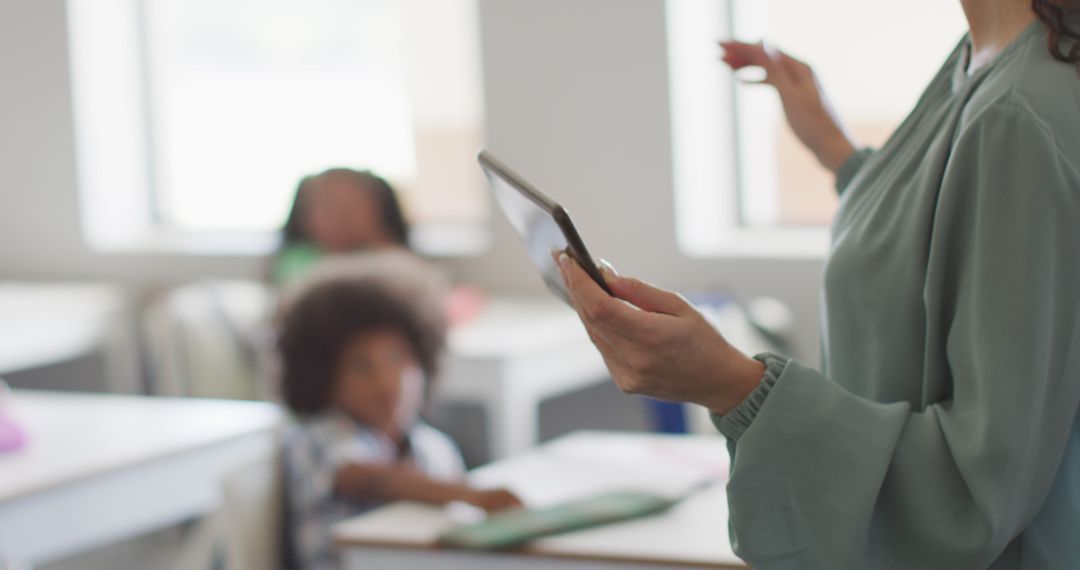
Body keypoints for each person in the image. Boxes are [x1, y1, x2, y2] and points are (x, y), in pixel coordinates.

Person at [558, 0, 1080, 568]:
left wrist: (732, 384)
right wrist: (837, 151)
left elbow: (971, 492)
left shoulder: (1021, 112)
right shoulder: (984, 59)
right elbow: (950, 240)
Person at [276, 252, 522, 570]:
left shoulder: (435, 449)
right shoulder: (318, 438)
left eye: (396, 358)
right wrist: (471, 495)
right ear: (323, 378)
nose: (386, 381)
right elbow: (372, 479)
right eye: (361, 366)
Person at [272, 168, 410, 284]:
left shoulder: (398, 262)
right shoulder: (298, 263)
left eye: (350, 207)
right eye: (329, 208)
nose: (340, 219)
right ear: (305, 217)